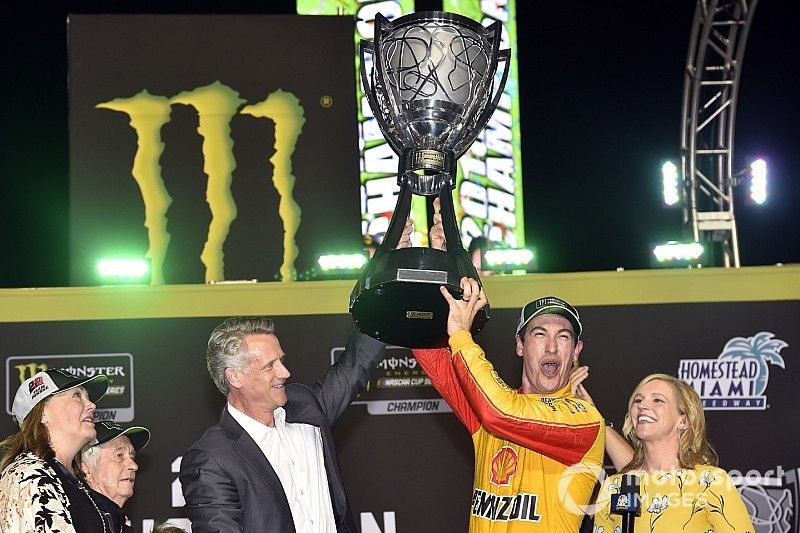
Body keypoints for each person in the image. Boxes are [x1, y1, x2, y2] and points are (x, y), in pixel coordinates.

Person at [413, 277, 606, 532]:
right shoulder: (490, 404)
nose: (551, 347)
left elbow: (501, 413)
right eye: (539, 334)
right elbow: (429, 350)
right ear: (519, 345)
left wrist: (461, 335)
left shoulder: (584, 420)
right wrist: (434, 280)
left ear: (576, 350)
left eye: (563, 337)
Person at [179, 316, 387, 532]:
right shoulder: (211, 460)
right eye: (270, 366)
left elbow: (354, 367)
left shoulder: (305, 406)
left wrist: (381, 307)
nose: (284, 372)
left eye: (281, 361)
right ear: (235, 377)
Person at [592, 373, 754, 532]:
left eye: (657, 400)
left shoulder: (710, 482)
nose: (642, 405)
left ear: (683, 420)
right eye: (638, 400)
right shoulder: (614, 486)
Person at [0, 368, 109, 532]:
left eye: (88, 397)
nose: (92, 405)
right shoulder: (28, 475)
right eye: (77, 396)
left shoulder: (78, 485)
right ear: (43, 412)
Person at [78, 421, 151, 533]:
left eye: (132, 456)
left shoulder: (118, 526)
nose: (134, 465)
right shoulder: (73, 523)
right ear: (86, 468)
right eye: (119, 455)